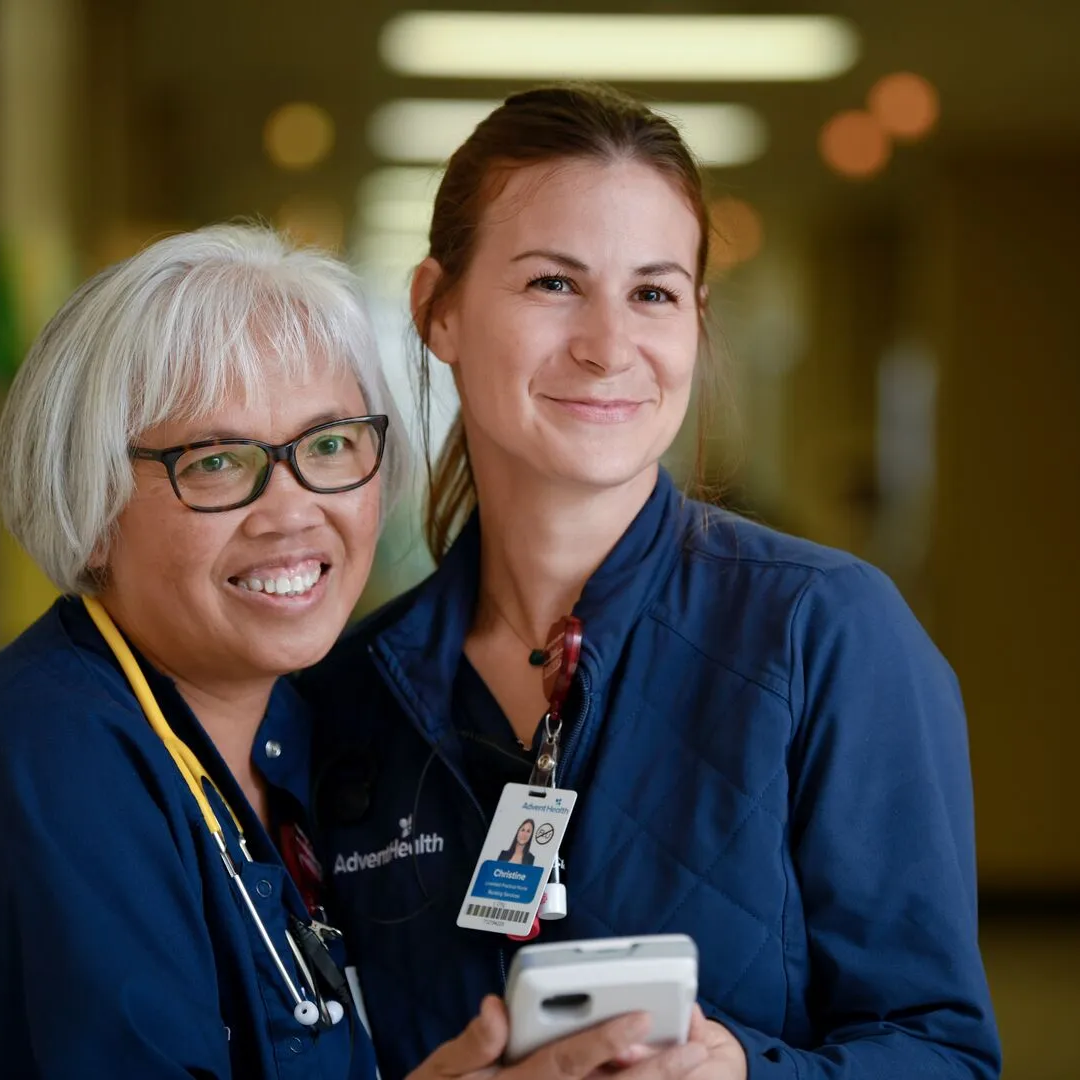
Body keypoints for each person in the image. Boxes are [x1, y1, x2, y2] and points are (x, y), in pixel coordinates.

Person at [0, 223, 710, 1080]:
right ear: (93, 499)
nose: (292, 512)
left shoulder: (292, 732)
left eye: (330, 445)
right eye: (217, 462)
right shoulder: (49, 769)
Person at [302, 84, 1003, 1080]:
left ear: (695, 320)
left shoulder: (824, 637)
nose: (609, 345)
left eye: (653, 292)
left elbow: (944, 1052)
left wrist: (747, 1074)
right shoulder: (345, 700)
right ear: (436, 309)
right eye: (553, 284)